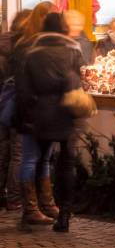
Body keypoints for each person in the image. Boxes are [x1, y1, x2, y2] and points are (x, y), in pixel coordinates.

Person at [16, 12, 84, 232]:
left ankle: (32, 209)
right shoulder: (74, 49)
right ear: (63, 28)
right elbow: (78, 81)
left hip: (42, 114)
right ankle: (63, 213)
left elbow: (24, 90)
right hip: (67, 112)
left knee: (37, 160)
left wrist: (31, 112)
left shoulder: (32, 52)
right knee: (66, 165)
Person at [11, 1, 57, 226]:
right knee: (30, 158)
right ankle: (30, 207)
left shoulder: (39, 44)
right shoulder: (28, 46)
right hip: (32, 111)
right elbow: (25, 84)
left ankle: (46, 203)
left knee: (44, 158)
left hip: (44, 110)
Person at [0, 9, 31, 211]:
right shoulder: (23, 47)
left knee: (3, 151)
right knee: (18, 152)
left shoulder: (4, 43)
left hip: (3, 104)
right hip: (15, 103)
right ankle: (14, 197)